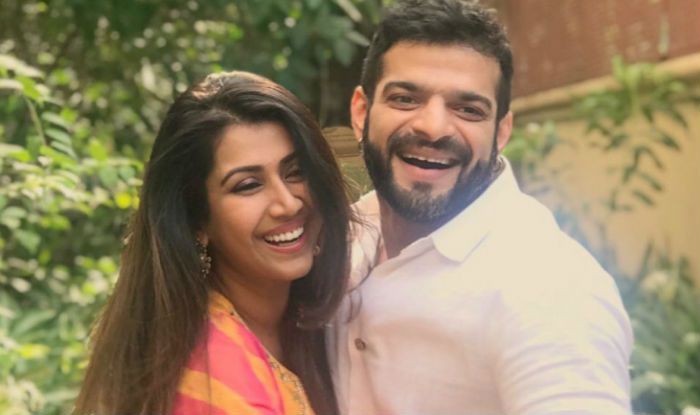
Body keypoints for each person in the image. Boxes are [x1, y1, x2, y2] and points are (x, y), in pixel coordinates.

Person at [328, 1, 634, 414]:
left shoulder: (549, 289)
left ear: (501, 132)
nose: (433, 127)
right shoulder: (344, 239)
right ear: (361, 112)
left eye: (468, 110)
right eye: (405, 98)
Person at [74, 71, 351, 415]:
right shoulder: (214, 380)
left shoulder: (318, 322)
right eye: (248, 185)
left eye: (295, 172)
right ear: (197, 220)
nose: (288, 203)